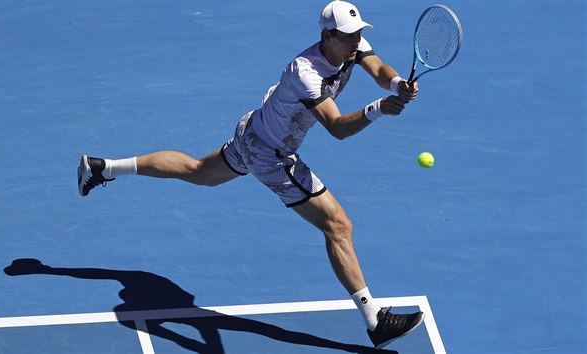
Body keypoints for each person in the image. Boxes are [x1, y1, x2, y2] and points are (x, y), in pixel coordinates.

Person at [78, 0, 424, 349]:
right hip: (271, 155)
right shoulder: (306, 72)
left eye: (358, 33)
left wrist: (396, 86)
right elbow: (336, 127)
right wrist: (378, 109)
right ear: (327, 35)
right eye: (348, 35)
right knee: (337, 225)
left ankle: (102, 167)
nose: (356, 41)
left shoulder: (352, 46)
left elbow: (379, 69)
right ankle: (375, 320)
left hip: (253, 130)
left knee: (198, 171)